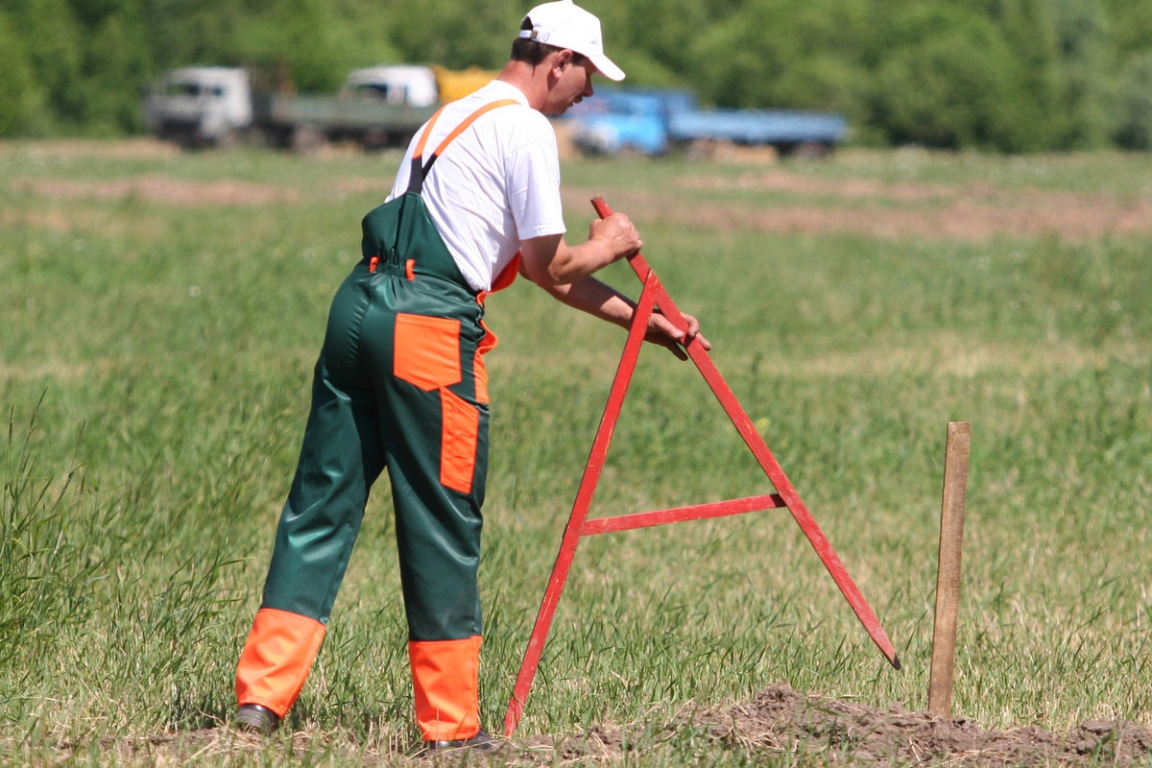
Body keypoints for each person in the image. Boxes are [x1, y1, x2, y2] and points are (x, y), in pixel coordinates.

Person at [232, 0, 709, 751]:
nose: (586, 94)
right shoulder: (524, 128)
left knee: (320, 507)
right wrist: (613, 243)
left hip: (358, 308)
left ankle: (260, 700)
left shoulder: (454, 116)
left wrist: (646, 325)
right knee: (443, 520)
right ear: (559, 61)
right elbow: (552, 267)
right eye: (585, 76)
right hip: (426, 329)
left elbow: (530, 267)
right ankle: (451, 732)